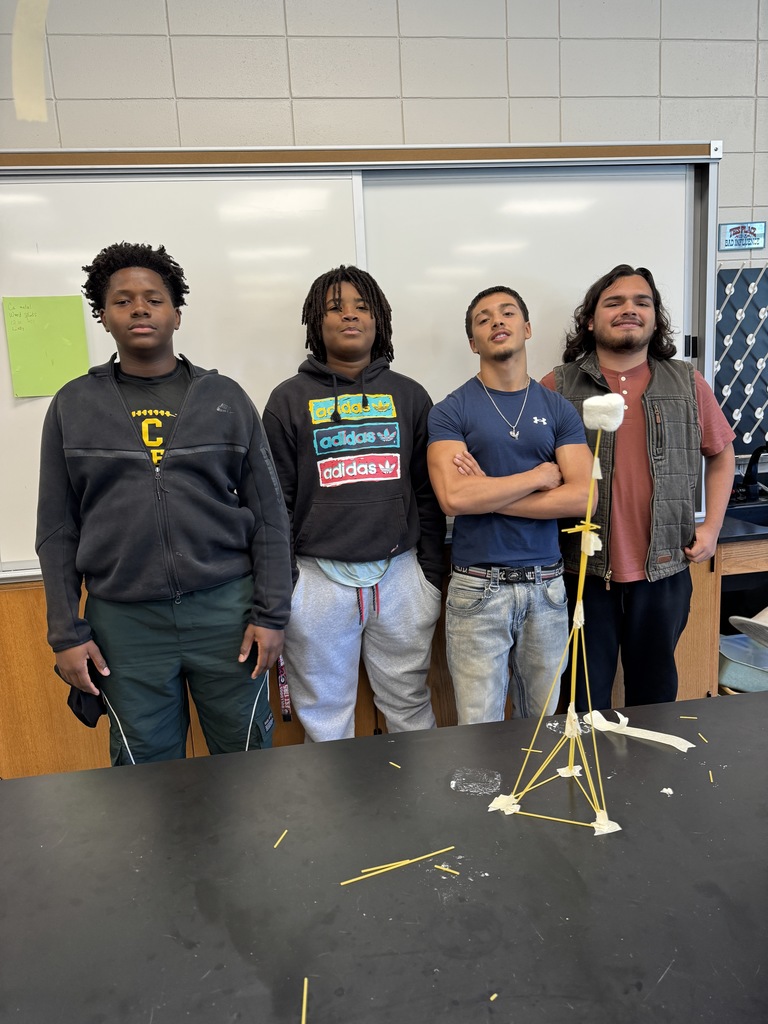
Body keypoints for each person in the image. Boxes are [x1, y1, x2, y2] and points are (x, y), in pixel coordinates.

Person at [36, 241, 292, 764]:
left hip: (226, 614)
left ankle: (245, 850)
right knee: (143, 773)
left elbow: (270, 517)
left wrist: (272, 614)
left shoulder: (225, 398)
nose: (139, 308)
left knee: (246, 760)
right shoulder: (73, 405)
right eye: (122, 300)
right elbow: (57, 531)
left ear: (176, 312)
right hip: (125, 624)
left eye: (153, 298)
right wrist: (66, 632)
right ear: (102, 316)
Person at [262, 265, 445, 741]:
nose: (349, 316)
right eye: (334, 307)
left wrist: (429, 575)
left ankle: (424, 810)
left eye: (362, 307)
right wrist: (289, 588)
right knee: (325, 714)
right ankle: (332, 815)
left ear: (378, 321)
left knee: (408, 704)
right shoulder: (286, 400)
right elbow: (275, 504)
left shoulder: (410, 395)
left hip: (402, 575)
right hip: (317, 581)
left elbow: (427, 492)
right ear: (315, 324)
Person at [542, 264, 735, 711]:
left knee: (656, 699)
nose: (629, 309)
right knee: (582, 701)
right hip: (581, 574)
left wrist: (712, 530)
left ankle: (649, 781)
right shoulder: (558, 385)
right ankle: (587, 782)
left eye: (641, 302)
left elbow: (721, 454)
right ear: (590, 319)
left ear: (654, 317)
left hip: (664, 570)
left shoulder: (686, 382)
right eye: (614, 302)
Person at [427, 286, 593, 724]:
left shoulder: (558, 409)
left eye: (507, 313)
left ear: (527, 328)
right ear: (472, 342)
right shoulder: (450, 410)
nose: (497, 322)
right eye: (483, 319)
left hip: (548, 588)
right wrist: (537, 478)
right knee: (478, 728)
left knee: (544, 725)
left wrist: (492, 495)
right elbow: (455, 497)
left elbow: (582, 495)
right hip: (477, 590)